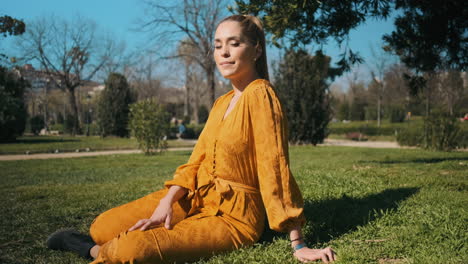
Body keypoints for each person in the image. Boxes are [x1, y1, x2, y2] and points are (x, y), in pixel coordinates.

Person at [46, 15, 336, 263]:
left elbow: (275, 167)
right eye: (218, 45)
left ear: (256, 50)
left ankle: (89, 250)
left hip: (233, 218)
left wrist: (298, 242)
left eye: (234, 43)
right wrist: (167, 202)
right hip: (196, 195)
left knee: (129, 248)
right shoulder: (222, 102)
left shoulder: (261, 94)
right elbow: (195, 160)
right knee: (103, 225)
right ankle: (96, 244)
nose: (223, 52)